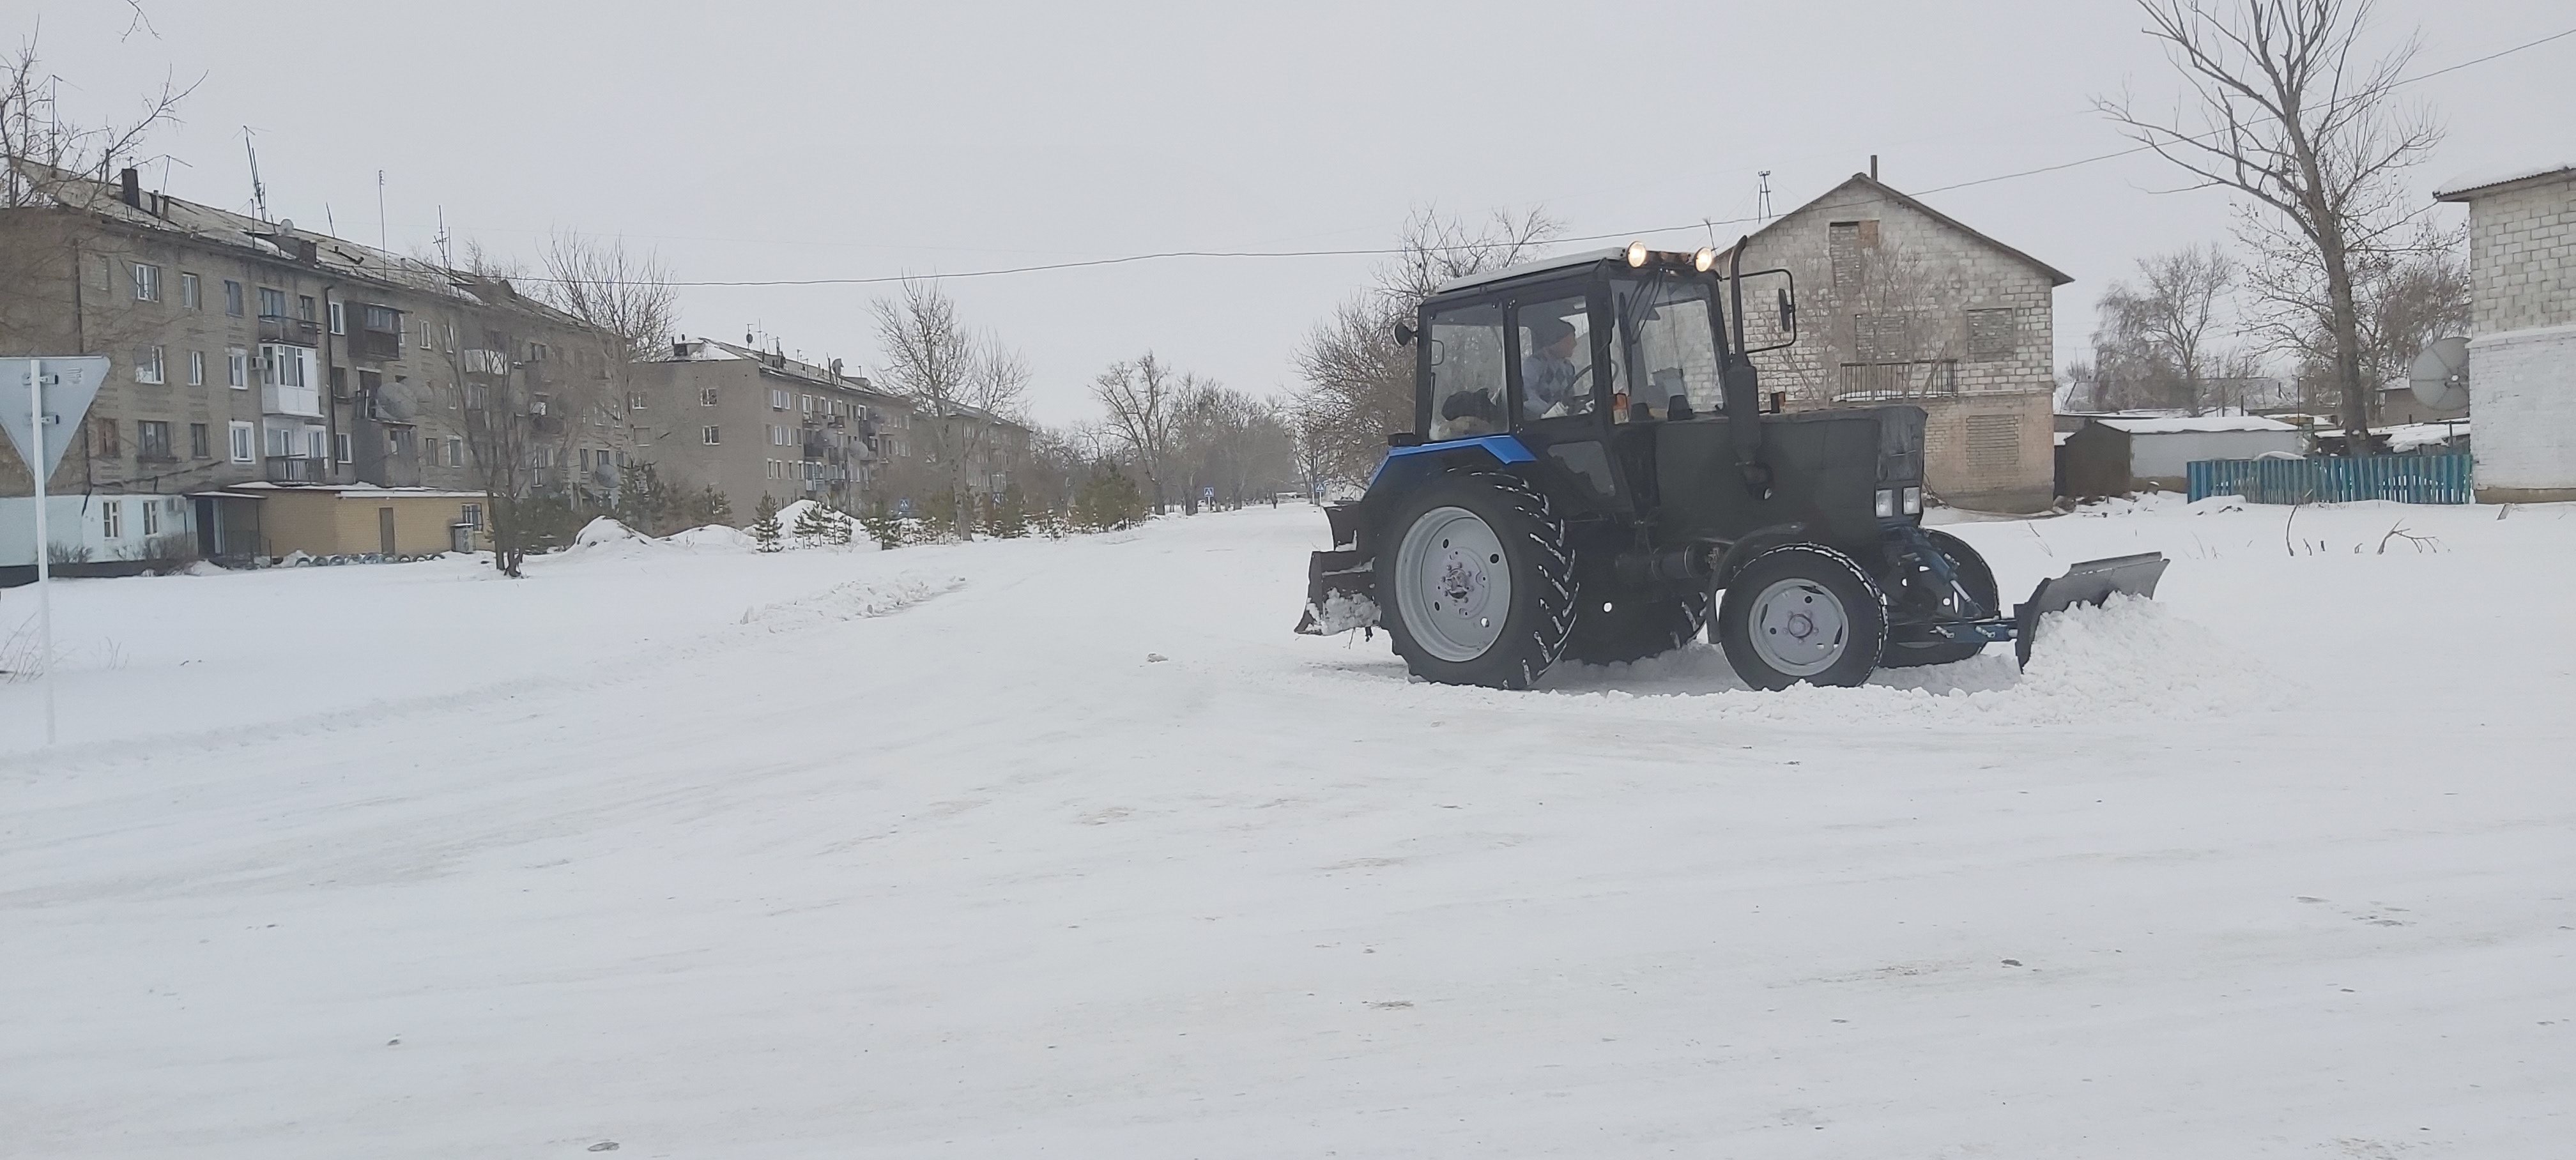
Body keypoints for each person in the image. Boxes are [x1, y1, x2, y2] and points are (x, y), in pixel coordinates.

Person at [1522, 317, 1586, 418]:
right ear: (1556, 341)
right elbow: (1528, 398)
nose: (1575, 344)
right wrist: (1551, 413)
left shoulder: (1568, 367)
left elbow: (1570, 397)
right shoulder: (1534, 365)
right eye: (1569, 341)